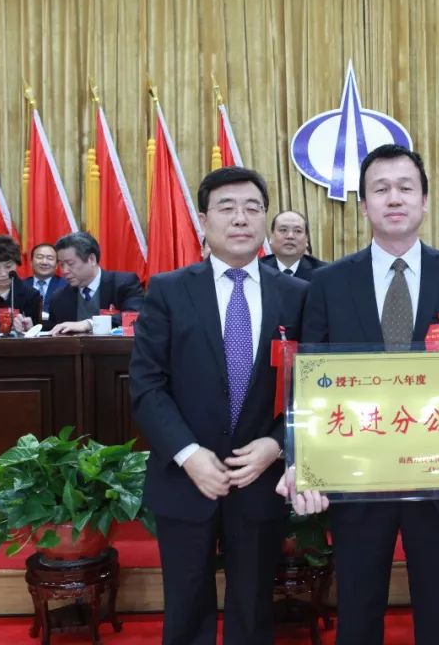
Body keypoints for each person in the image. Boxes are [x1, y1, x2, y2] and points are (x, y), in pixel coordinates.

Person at [277, 143, 439, 645]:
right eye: (380, 189)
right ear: (364, 204)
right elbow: (308, 382)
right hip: (356, 471)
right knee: (357, 607)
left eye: (405, 188)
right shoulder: (328, 283)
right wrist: (302, 459)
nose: (393, 198)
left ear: (424, 200)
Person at [129, 167, 307, 645]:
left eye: (252, 208)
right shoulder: (168, 289)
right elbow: (146, 385)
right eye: (227, 208)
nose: (240, 218)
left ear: (265, 220)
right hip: (186, 477)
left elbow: (312, 386)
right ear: (203, 220)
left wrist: (277, 444)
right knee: (186, 604)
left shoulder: (297, 295)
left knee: (254, 606)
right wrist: (188, 455)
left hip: (261, 477)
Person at [47, 231, 144, 334]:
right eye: (61, 265)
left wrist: (90, 324)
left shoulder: (123, 283)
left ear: (92, 259)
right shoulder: (58, 298)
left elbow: (136, 316)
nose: (64, 271)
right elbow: (53, 332)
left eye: (70, 263)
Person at [260, 210, 327, 281]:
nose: (290, 236)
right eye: (283, 230)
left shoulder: (324, 273)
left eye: (298, 231)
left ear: (306, 239)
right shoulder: (257, 268)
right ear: (271, 237)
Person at [23, 243, 67, 318]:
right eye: (40, 257)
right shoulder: (20, 286)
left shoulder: (66, 286)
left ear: (57, 265)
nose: (44, 262)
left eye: (50, 258)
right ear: (31, 262)